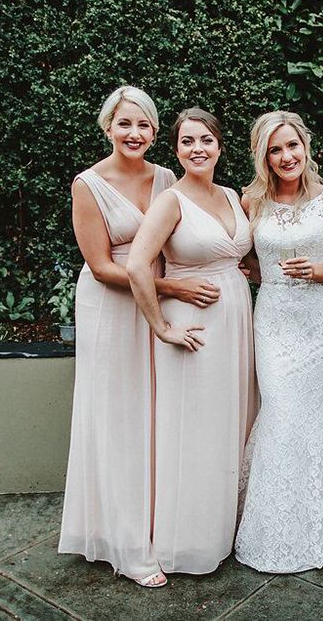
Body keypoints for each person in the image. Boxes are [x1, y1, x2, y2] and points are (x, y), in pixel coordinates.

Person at [59, 86, 210, 587]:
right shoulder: (88, 184)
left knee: (160, 417)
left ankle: (160, 526)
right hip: (113, 308)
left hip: (161, 306)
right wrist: (172, 287)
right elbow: (101, 267)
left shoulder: (167, 177)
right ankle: (127, 544)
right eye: (125, 124)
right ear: (108, 128)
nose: (135, 134)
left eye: (144, 125)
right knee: (121, 416)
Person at [127, 107, 257, 577]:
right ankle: (186, 543)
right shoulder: (171, 201)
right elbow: (138, 265)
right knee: (194, 431)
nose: (197, 148)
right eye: (187, 142)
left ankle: (224, 531)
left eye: (205, 139)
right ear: (176, 149)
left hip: (237, 322)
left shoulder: (232, 195)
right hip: (194, 328)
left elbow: (248, 255)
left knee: (230, 423)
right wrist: (162, 326)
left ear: (220, 146)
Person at [234, 111, 323, 573]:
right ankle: (272, 530)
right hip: (275, 321)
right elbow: (245, 257)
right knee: (280, 415)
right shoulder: (251, 202)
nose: (286, 157)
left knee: (321, 421)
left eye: (292, 146)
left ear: (306, 147)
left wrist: (317, 271)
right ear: (263, 157)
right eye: (275, 150)